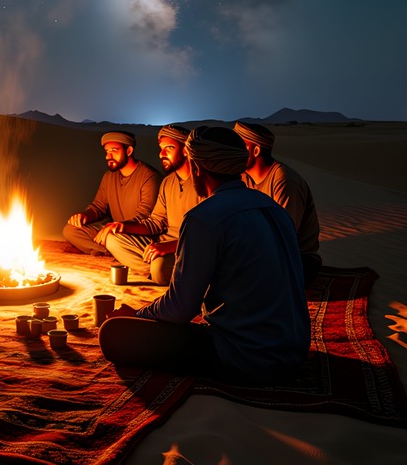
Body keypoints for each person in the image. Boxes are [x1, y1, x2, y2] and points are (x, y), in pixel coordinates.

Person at [99, 126, 310, 384]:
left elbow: (180, 309)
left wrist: (137, 315)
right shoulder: (273, 209)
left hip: (248, 356)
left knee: (113, 333)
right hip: (295, 350)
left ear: (197, 168)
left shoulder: (204, 218)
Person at [105, 124, 201, 284]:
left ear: (186, 150)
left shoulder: (203, 183)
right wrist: (123, 227)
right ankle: (162, 272)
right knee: (113, 239)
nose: (162, 154)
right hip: (163, 241)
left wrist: (168, 247)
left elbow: (206, 235)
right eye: (161, 148)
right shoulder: (167, 183)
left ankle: (162, 272)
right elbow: (155, 222)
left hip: (188, 246)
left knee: (159, 266)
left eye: (169, 148)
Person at [233, 121, 322, 285]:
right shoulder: (242, 178)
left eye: (239, 147)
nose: (233, 153)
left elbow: (282, 236)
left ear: (256, 150)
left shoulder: (285, 181)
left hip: (295, 258)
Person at [62, 130, 160, 255]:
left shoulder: (149, 177)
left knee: (112, 239)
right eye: (107, 151)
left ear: (129, 151)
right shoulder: (109, 176)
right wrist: (85, 216)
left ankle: (99, 249)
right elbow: (98, 207)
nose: (108, 156)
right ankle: (107, 251)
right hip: (113, 230)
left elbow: (144, 217)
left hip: (135, 234)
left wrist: (119, 227)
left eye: (114, 150)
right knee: (70, 230)